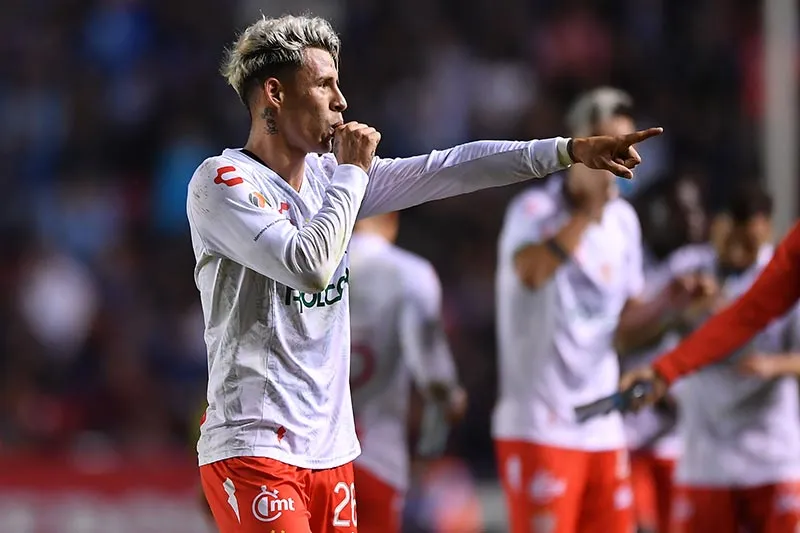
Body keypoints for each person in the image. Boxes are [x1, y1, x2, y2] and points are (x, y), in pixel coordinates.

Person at [186, 15, 662, 533]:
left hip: (331, 451)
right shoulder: (221, 181)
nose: (342, 101)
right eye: (325, 83)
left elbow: (451, 168)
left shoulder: (328, 179)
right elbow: (311, 266)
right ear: (274, 93)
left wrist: (567, 152)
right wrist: (351, 174)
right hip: (254, 445)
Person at [491, 88, 678, 533]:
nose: (621, 155)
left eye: (627, 144)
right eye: (609, 141)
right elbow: (532, 272)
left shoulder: (624, 223)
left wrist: (675, 301)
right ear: (580, 141)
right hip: (540, 426)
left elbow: (624, 327)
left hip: (602, 428)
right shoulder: (533, 210)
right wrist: (587, 212)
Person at [624, 184, 800, 533]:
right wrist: (673, 317)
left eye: (748, 240)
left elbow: (745, 320)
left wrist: (772, 365)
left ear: (765, 230)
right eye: (730, 235)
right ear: (717, 225)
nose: (737, 248)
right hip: (704, 457)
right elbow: (626, 335)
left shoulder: (778, 270)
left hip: (771, 454)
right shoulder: (688, 268)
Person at [347, 212, 467, 533]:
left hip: (310, 456)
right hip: (377, 455)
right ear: (392, 218)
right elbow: (432, 372)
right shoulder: (411, 273)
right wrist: (451, 397)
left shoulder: (310, 264)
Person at [622, 174, 712, 533]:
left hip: (684, 439)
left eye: (697, 209)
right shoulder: (628, 264)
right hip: (628, 434)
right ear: (658, 214)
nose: (695, 219)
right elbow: (618, 340)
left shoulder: (702, 267)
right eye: (683, 210)